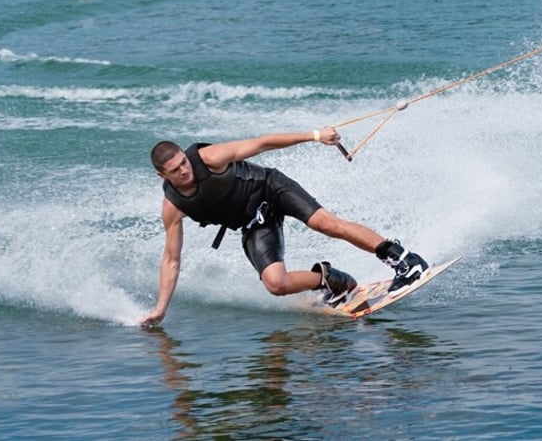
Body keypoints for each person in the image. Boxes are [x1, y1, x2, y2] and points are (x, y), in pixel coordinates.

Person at [139, 126, 428, 327]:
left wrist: (315, 136)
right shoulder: (173, 207)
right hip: (253, 222)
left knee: (324, 223)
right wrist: (161, 308)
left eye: (183, 162)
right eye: (175, 170)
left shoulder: (209, 158)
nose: (184, 170)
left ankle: (404, 260)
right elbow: (171, 259)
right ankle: (333, 281)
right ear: (160, 175)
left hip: (271, 189)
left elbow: (262, 143)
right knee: (276, 284)